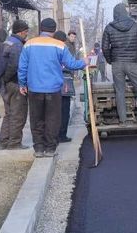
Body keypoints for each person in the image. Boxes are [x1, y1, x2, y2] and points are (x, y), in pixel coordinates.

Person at [18, 18, 88, 158]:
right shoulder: (60, 45)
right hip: (53, 89)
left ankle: (38, 148)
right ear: (54, 30)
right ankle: (50, 149)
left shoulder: (29, 44)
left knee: (36, 119)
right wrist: (83, 63)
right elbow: (71, 64)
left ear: (41, 29)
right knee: (53, 119)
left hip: (34, 88)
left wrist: (22, 83)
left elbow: (22, 67)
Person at [102, 3, 137, 124]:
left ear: (115, 14)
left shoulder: (109, 28)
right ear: (125, 12)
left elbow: (105, 48)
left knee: (120, 91)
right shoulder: (135, 26)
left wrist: (110, 60)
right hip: (133, 63)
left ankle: (123, 120)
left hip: (117, 63)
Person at [0, 20, 30, 150]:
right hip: (14, 83)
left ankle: (3, 142)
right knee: (18, 115)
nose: (27, 34)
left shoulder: (6, 42)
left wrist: (3, 80)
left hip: (4, 84)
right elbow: (15, 65)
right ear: (22, 31)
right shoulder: (18, 45)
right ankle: (14, 143)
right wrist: (9, 79)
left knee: (9, 114)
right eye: (26, 32)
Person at [53, 31, 76, 143]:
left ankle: (56, 135)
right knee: (64, 110)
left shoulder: (50, 48)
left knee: (55, 111)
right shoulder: (63, 48)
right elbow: (70, 64)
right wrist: (82, 63)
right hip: (63, 81)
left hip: (51, 85)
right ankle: (61, 135)